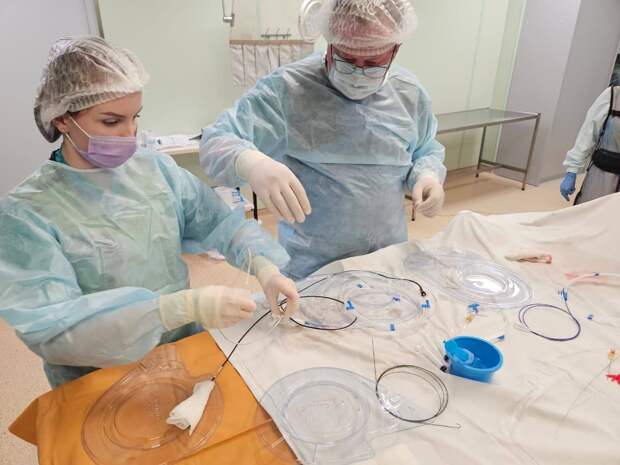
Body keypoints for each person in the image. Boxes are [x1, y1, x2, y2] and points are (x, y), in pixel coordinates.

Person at [0, 37, 299, 388]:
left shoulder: (155, 169)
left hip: (180, 350)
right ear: (63, 120)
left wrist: (264, 266)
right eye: (111, 121)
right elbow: (54, 330)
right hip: (99, 378)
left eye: (135, 117)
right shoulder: (27, 213)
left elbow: (218, 222)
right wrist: (174, 309)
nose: (129, 134)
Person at [200, 0, 446, 280]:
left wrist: (427, 176)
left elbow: (424, 148)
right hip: (311, 270)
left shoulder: (409, 94)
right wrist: (251, 163)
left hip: (385, 261)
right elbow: (216, 140)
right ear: (330, 44)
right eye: (347, 59)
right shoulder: (289, 88)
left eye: (372, 63)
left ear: (394, 49)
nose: (358, 72)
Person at [560, 85, 620, 204]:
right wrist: (572, 170)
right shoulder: (614, 96)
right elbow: (588, 133)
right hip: (603, 177)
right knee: (595, 211)